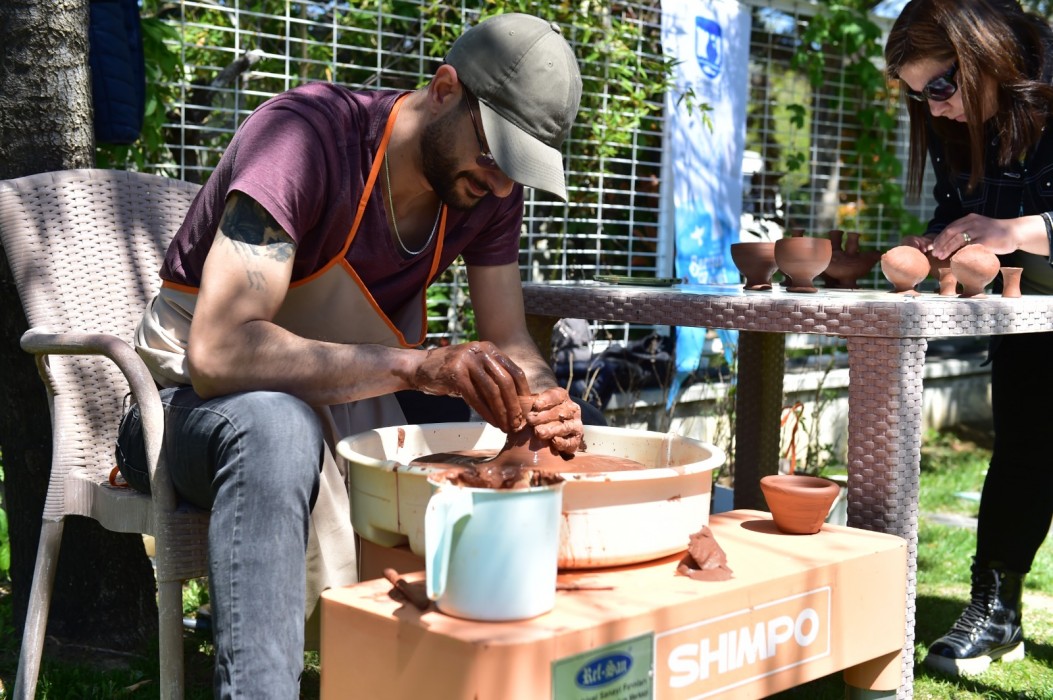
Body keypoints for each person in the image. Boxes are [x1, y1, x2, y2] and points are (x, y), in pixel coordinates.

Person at [115, 13, 591, 696]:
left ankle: (448, 671)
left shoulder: (488, 191)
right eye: (494, 157)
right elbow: (218, 352)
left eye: (520, 170)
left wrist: (541, 400)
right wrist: (416, 364)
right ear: (445, 88)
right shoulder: (304, 139)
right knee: (277, 426)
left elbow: (512, 339)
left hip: (336, 395)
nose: (501, 186)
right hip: (177, 408)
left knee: (521, 412)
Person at [885, 0, 1053, 678]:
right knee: (1023, 447)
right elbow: (960, 210)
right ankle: (996, 612)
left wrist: (1013, 232)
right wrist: (938, 240)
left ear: (982, 52)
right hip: (1029, 308)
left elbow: (1003, 229)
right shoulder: (959, 122)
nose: (932, 109)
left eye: (938, 87)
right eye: (914, 95)